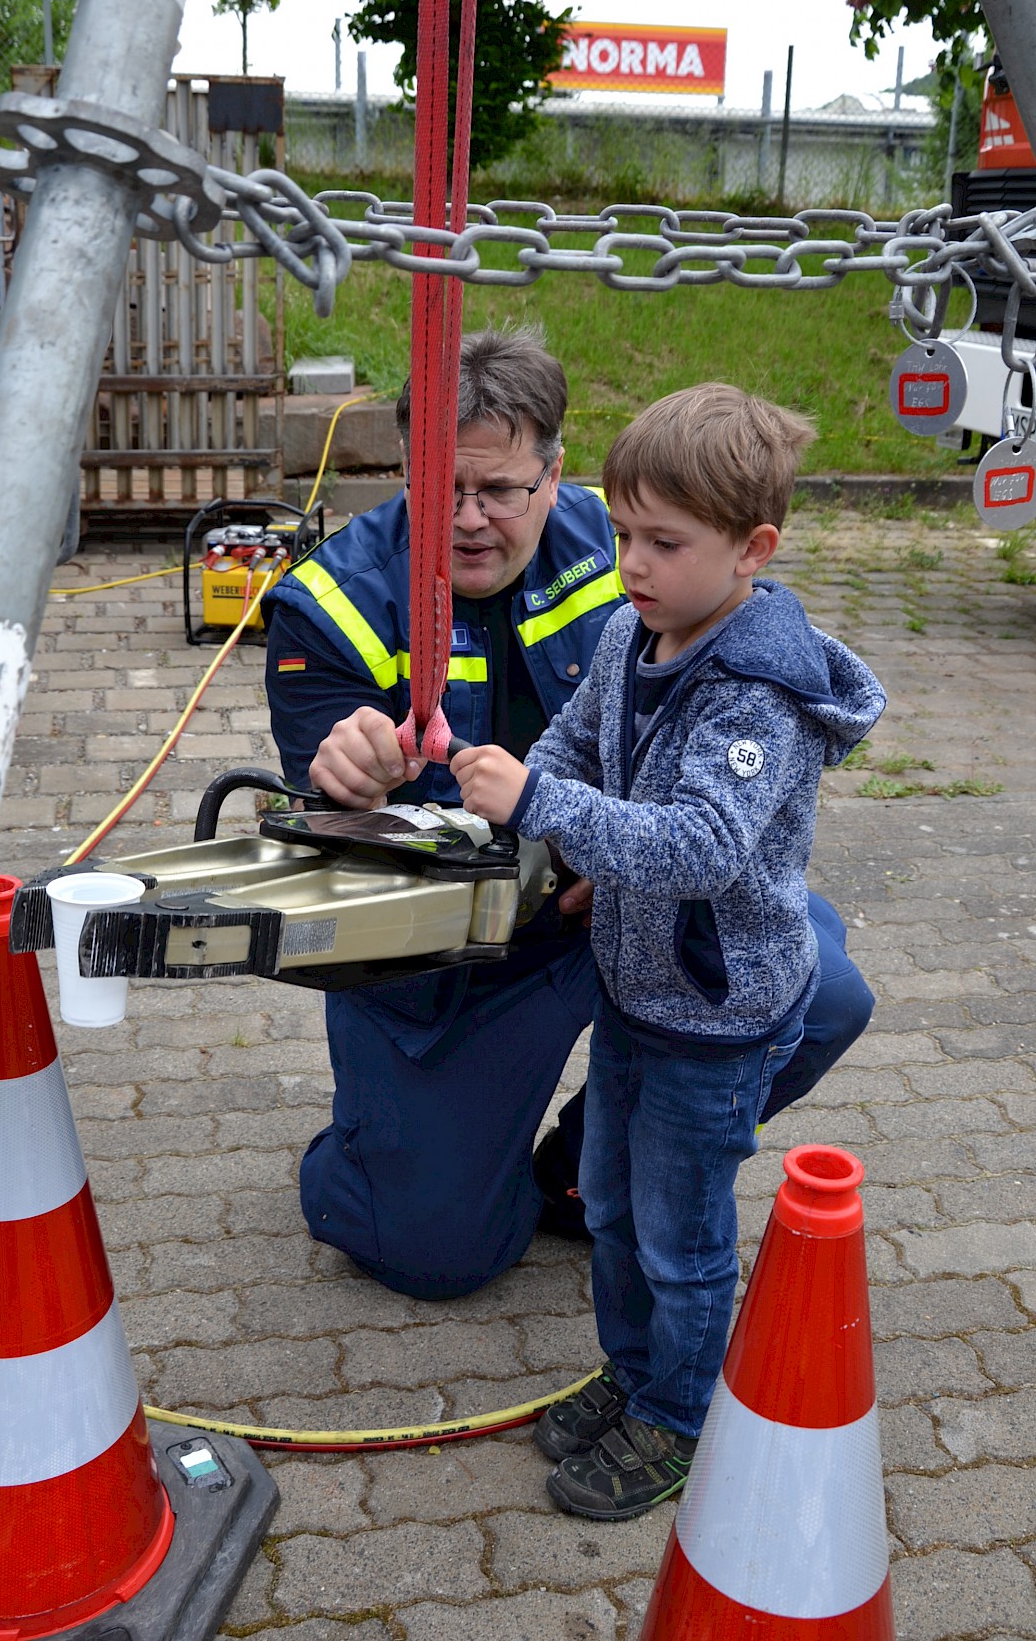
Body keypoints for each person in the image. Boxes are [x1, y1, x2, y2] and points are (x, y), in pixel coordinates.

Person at [263, 328, 875, 1300]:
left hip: (620, 906)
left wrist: (589, 841)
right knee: (435, 1254)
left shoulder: (631, 545)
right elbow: (331, 862)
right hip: (453, 966)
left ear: (555, 474)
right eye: (442, 487)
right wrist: (345, 786)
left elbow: (725, 716)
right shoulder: (328, 606)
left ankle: (588, 1167)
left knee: (822, 996)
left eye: (501, 490)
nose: (469, 520)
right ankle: (380, 1157)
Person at [449, 383, 886, 1520]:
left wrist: (538, 800)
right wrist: (529, 795)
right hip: (637, 992)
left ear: (754, 551)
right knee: (608, 1204)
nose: (632, 563)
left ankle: (682, 1418)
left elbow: (700, 847)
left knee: (679, 1236)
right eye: (624, 532)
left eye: (665, 543)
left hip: (717, 1017)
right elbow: (575, 743)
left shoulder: (756, 698)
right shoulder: (630, 632)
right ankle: (637, 1372)